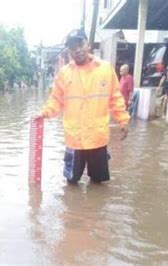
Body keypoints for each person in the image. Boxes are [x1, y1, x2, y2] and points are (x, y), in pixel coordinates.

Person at [34, 29, 130, 185]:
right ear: (69, 51)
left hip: (97, 136)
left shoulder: (105, 69)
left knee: (98, 184)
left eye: (80, 44)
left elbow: (115, 98)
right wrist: (44, 113)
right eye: (72, 47)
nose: (77, 49)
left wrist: (123, 121)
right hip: (74, 138)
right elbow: (55, 99)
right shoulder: (64, 73)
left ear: (88, 45)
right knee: (71, 183)